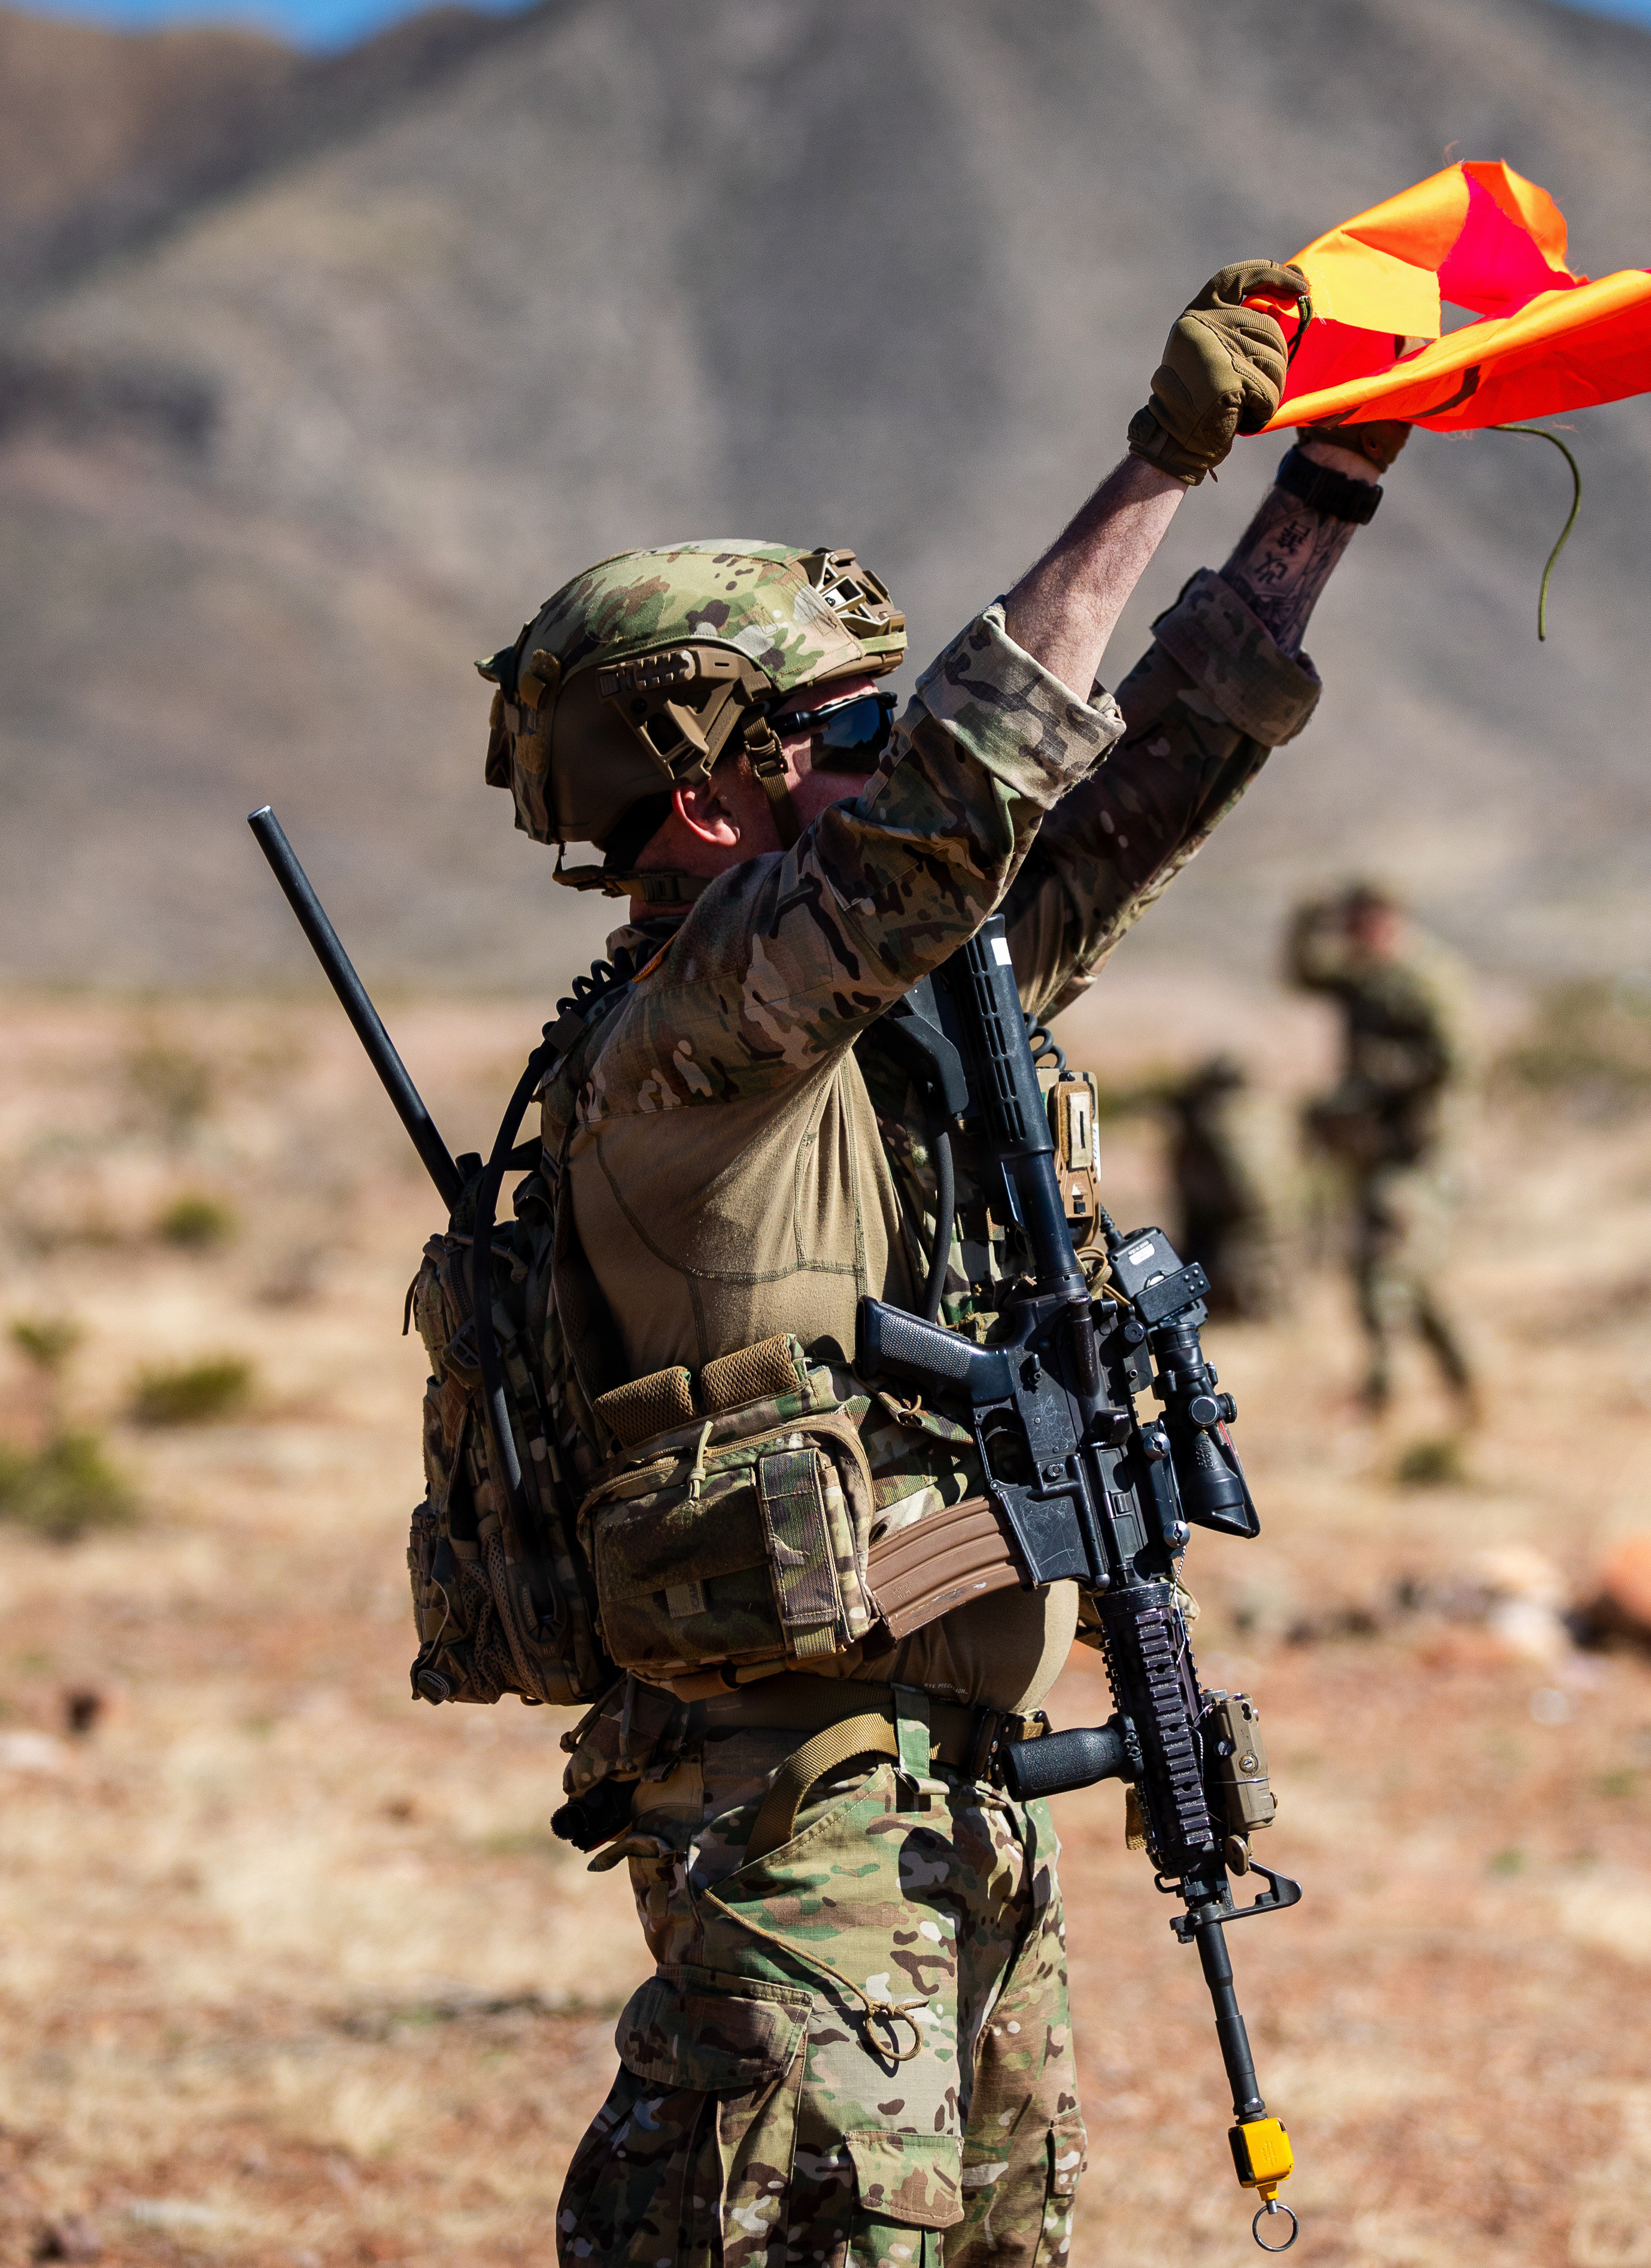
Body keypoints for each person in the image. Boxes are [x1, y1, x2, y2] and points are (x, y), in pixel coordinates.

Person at [478, 260, 1410, 2268]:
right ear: (709, 784)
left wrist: (1326, 482)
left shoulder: (888, 1008)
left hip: (949, 1801)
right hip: (796, 1822)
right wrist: (1163, 457)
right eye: (842, 729)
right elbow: (955, 806)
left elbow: (1136, 765)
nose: (886, 754)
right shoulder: (693, 1030)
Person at [1286, 880, 1477, 1422]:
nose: (1348, 935)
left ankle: (1382, 1400)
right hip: (1374, 1148)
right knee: (1407, 1277)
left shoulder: (1427, 979)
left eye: (1356, 923)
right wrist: (1306, 918)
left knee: (1383, 1271)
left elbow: (1455, 1062)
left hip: (1418, 1154)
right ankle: (1463, 1383)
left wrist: (1379, 1074)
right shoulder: (1363, 976)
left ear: (1386, 920)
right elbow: (1304, 974)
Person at [1162, 1053, 1276, 1322]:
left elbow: (1244, 1196)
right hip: (1243, 1238)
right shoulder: (1262, 1118)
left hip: (1233, 1243)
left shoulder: (1215, 1124)